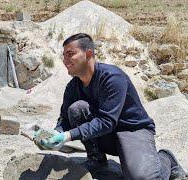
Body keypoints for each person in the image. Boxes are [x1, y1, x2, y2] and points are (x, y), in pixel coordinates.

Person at [39, 33, 187, 179]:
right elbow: (65, 118)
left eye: (70, 54)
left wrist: (67, 136)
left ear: (88, 54)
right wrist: (53, 134)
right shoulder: (73, 86)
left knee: (141, 177)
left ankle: (166, 159)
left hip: (132, 130)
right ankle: (96, 160)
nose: (65, 60)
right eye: (64, 55)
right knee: (77, 109)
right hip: (107, 135)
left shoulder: (112, 78)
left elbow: (106, 121)